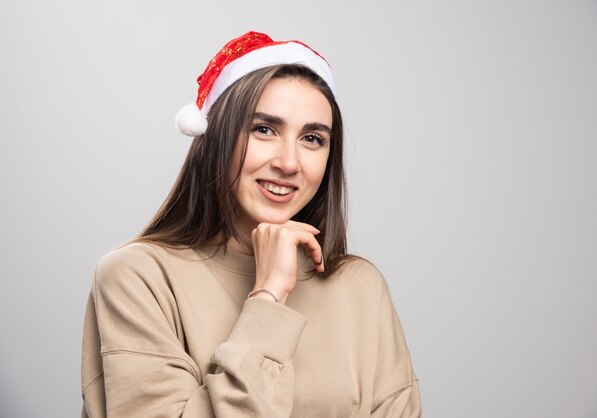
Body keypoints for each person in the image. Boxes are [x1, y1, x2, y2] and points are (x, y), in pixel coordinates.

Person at [81, 31, 422, 417]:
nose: (289, 163)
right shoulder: (138, 277)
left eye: (312, 138)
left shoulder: (360, 287)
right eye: (264, 129)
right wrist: (268, 296)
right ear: (217, 138)